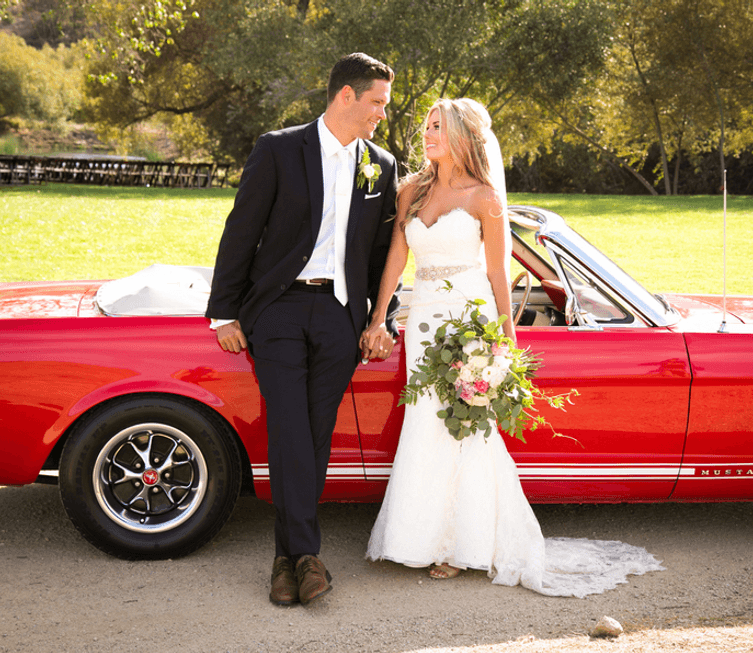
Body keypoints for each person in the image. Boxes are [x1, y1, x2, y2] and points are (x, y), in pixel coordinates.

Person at [361, 98, 663, 597]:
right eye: (427, 127)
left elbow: (498, 270)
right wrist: (379, 319)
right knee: (425, 423)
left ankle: (461, 545)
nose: (427, 134)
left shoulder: (485, 197)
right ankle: (418, 538)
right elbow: (398, 255)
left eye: (437, 127)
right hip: (425, 321)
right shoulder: (411, 190)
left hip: (470, 318)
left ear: (462, 136)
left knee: (464, 427)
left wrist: (506, 338)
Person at [206, 53, 402, 606]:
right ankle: (306, 555)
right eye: (377, 102)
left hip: (340, 315)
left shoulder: (381, 165)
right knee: (289, 427)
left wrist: (380, 318)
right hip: (279, 309)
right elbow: (241, 229)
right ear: (346, 95)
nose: (382, 114)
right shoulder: (278, 148)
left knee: (315, 433)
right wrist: (224, 312)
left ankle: (286, 560)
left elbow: (383, 253)